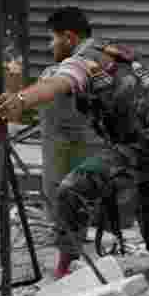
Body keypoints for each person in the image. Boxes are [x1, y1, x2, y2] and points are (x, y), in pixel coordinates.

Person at [0, 7, 149, 286]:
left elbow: (58, 84)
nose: (49, 46)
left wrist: (19, 101)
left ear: (69, 38)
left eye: (52, 39)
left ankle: (66, 268)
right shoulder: (110, 51)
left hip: (143, 146)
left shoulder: (81, 61)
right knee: (146, 198)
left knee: (72, 188)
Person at [37, 60, 106, 230]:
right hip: (69, 141)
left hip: (73, 141)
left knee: (68, 181)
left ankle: (67, 223)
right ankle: (70, 224)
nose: (51, 44)